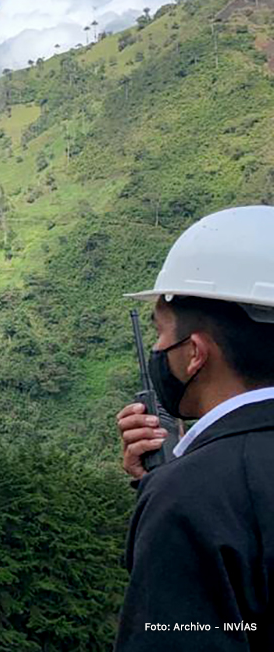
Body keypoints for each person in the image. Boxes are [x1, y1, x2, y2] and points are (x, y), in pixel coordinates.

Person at [115, 206, 274, 651]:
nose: (159, 349)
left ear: (196, 354)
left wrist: (174, 485)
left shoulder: (190, 498)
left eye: (162, 334)